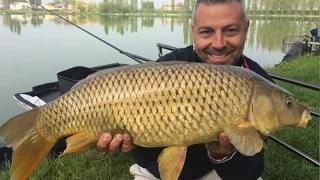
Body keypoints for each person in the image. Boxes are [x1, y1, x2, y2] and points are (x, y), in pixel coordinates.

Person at [97, 0, 274, 179]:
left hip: (217, 173)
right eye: (206, 31)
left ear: (246, 28)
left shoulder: (258, 85)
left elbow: (250, 171)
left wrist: (221, 155)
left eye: (230, 30)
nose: (219, 43)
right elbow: (145, 160)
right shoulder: (162, 71)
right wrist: (132, 142)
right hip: (155, 173)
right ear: (193, 31)